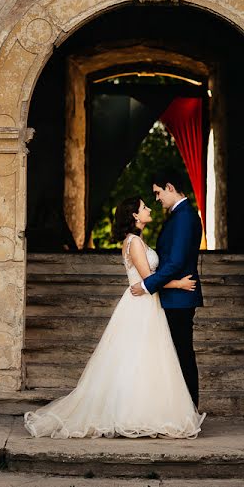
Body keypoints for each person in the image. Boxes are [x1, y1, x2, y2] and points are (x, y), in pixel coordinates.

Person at [23, 195, 206, 439]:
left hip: (147, 302)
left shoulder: (137, 240)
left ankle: (145, 410)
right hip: (141, 304)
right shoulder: (135, 243)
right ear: (134, 216)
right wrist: (179, 284)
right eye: (144, 207)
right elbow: (145, 279)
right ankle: (132, 414)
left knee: (145, 360)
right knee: (138, 359)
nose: (149, 208)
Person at [130, 170, 203, 407]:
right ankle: (176, 409)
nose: (157, 199)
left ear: (170, 187)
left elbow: (176, 262)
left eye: (158, 192)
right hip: (173, 295)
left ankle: (189, 410)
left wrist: (146, 284)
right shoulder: (178, 215)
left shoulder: (184, 216)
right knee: (174, 356)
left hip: (179, 299)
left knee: (181, 354)